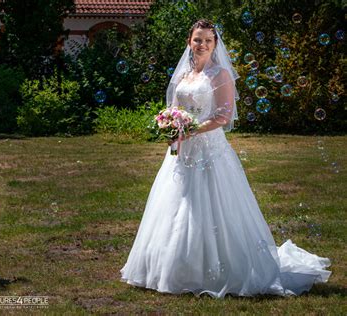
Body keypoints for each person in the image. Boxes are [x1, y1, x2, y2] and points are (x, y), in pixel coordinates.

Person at [120, 19, 331, 297]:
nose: (202, 44)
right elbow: (174, 107)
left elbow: (222, 116)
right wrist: (170, 126)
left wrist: (189, 129)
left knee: (211, 206)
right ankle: (168, 267)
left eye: (208, 39)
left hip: (210, 151)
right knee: (175, 205)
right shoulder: (184, 74)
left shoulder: (220, 75)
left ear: (215, 44)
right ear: (189, 42)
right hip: (181, 152)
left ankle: (222, 269)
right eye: (197, 39)